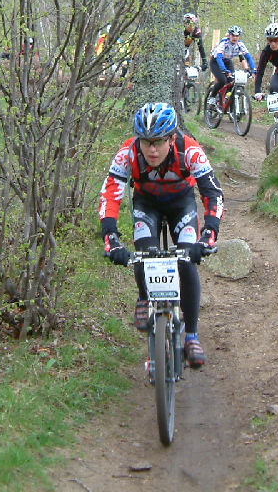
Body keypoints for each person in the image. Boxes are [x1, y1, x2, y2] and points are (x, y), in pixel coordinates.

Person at [98, 102, 224, 368]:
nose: (152, 150)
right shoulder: (128, 152)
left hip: (181, 202)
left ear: (170, 138)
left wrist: (209, 234)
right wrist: (111, 237)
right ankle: (145, 297)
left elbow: (212, 192)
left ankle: (191, 335)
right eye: (146, 142)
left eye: (158, 142)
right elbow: (110, 193)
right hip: (147, 204)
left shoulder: (188, 148)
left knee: (187, 261)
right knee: (144, 253)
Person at [208, 25, 256, 103]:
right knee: (222, 80)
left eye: (237, 36)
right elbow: (219, 57)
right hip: (216, 62)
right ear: (229, 35)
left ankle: (226, 97)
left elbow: (248, 57)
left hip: (227, 61)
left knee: (233, 81)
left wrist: (253, 69)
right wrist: (224, 70)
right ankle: (212, 97)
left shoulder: (240, 44)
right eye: (233, 35)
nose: (235, 38)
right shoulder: (224, 43)